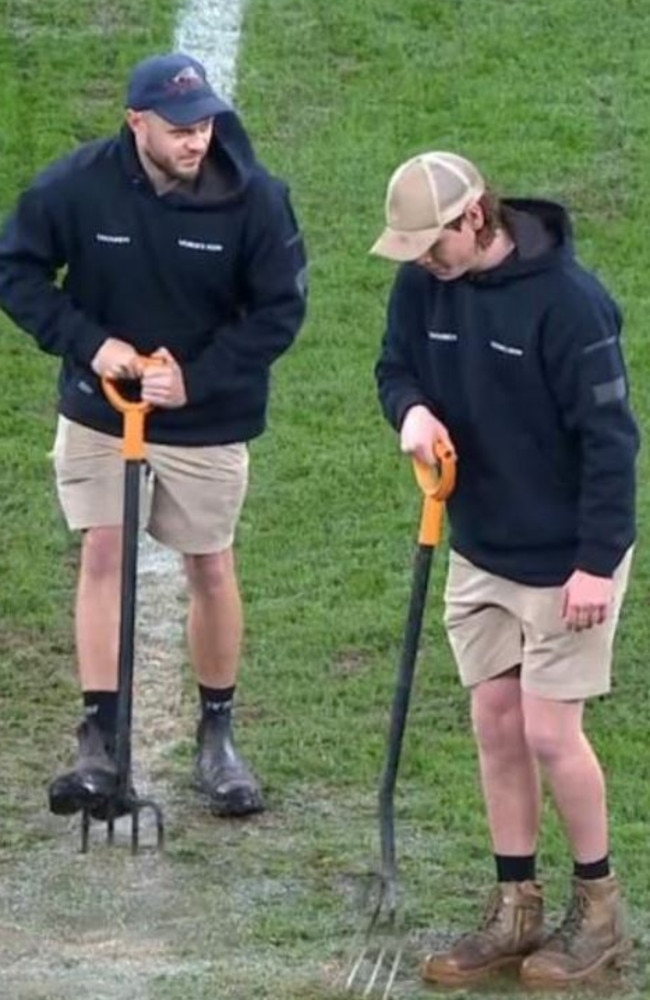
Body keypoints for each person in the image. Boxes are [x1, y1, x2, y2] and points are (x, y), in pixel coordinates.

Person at [0, 52, 307, 820]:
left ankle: (218, 732)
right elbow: (17, 272)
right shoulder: (74, 187)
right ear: (136, 122)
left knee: (210, 562)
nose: (194, 141)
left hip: (206, 417)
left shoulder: (258, 201)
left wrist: (194, 379)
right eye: (177, 129)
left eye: (203, 124)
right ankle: (100, 735)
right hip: (102, 408)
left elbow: (279, 312)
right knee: (103, 551)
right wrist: (89, 343)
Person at [371, 151, 638, 988]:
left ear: (474, 217)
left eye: (431, 242)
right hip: (479, 546)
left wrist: (595, 565)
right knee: (494, 721)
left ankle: (599, 910)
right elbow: (396, 367)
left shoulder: (570, 305)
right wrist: (410, 412)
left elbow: (612, 443)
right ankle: (514, 904)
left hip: (565, 561)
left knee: (552, 733)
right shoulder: (423, 285)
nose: (420, 259)